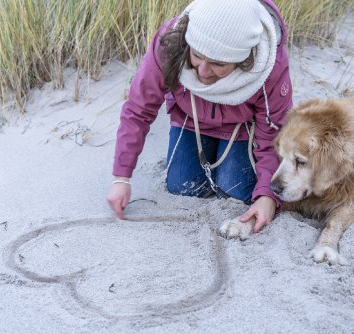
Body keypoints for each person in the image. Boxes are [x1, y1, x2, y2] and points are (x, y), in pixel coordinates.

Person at [107, 0, 293, 234]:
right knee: (181, 187)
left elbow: (274, 134)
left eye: (218, 63)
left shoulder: (269, 64)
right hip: (190, 121)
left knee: (237, 191)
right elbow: (138, 108)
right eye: (196, 56)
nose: (203, 71)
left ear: (244, 60)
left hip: (242, 129)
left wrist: (267, 195)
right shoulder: (171, 42)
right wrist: (121, 177)